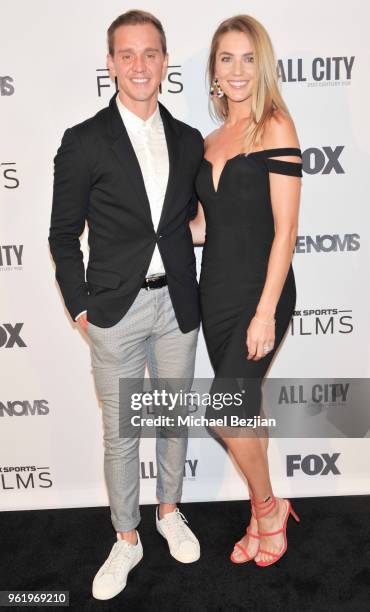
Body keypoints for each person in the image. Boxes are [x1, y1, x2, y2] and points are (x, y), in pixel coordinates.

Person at [49, 10, 203, 600]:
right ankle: (126, 537)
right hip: (114, 311)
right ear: (111, 64)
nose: (140, 65)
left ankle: (167, 511)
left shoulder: (188, 141)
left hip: (176, 309)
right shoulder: (83, 141)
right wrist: (80, 308)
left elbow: (188, 223)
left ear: (164, 62)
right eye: (127, 55)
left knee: (168, 419)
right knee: (122, 435)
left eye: (151, 54)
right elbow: (63, 236)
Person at [190, 15, 302, 567]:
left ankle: (267, 508)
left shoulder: (275, 125)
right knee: (244, 411)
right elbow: (207, 228)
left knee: (225, 411)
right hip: (216, 295)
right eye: (226, 58)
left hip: (263, 296)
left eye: (247, 58)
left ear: (262, 66)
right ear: (213, 69)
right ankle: (265, 510)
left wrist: (264, 314)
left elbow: (285, 230)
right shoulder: (209, 140)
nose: (236, 70)